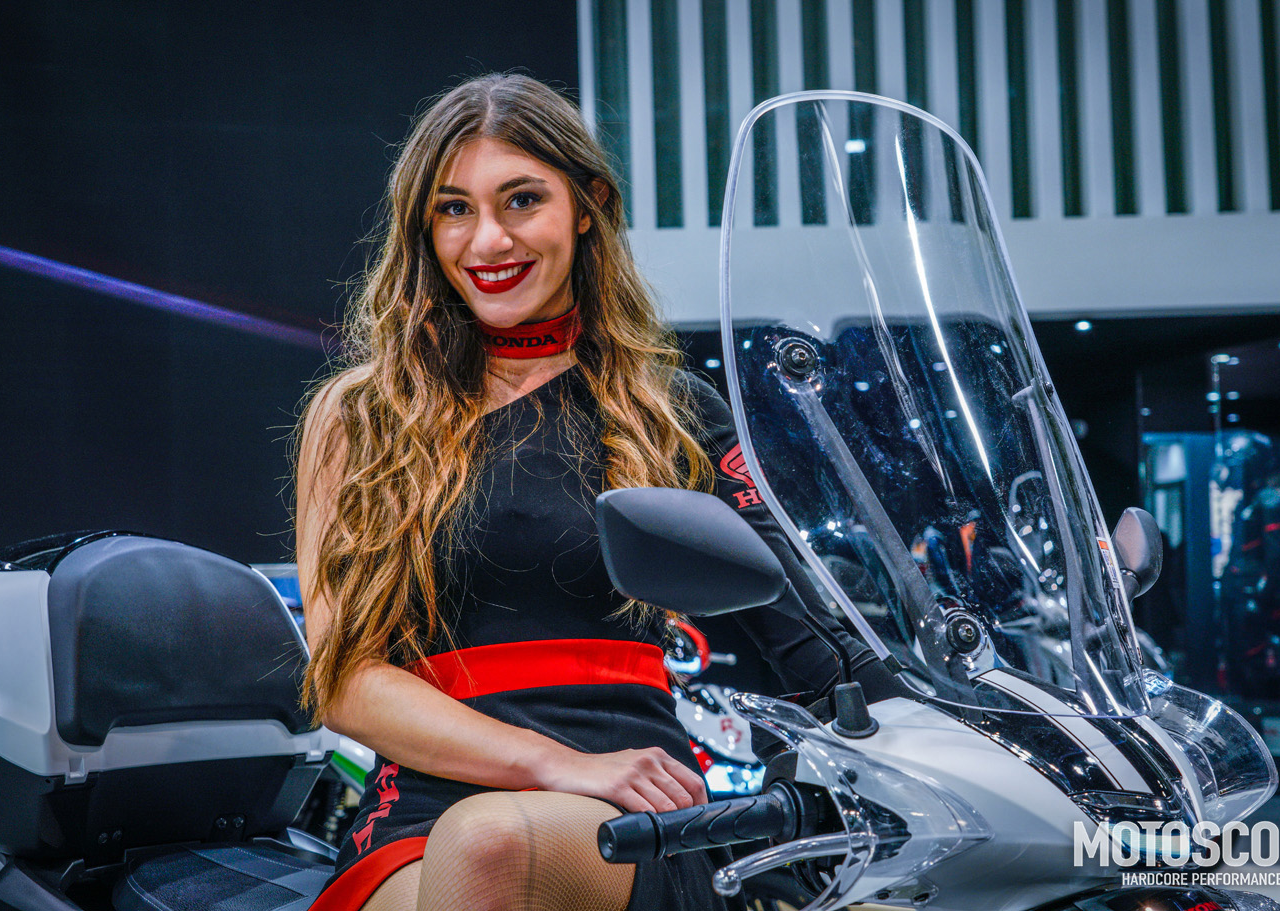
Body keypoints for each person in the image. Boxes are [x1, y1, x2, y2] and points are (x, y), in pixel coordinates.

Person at [293, 74, 878, 911]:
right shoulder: (361, 417)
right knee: (481, 841)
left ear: (587, 204)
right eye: (454, 209)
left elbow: (810, 639)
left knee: (489, 843)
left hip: (628, 806)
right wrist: (556, 764)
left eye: (521, 199)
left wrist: (962, 715)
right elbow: (345, 680)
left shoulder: (668, 411)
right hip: (423, 807)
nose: (487, 239)